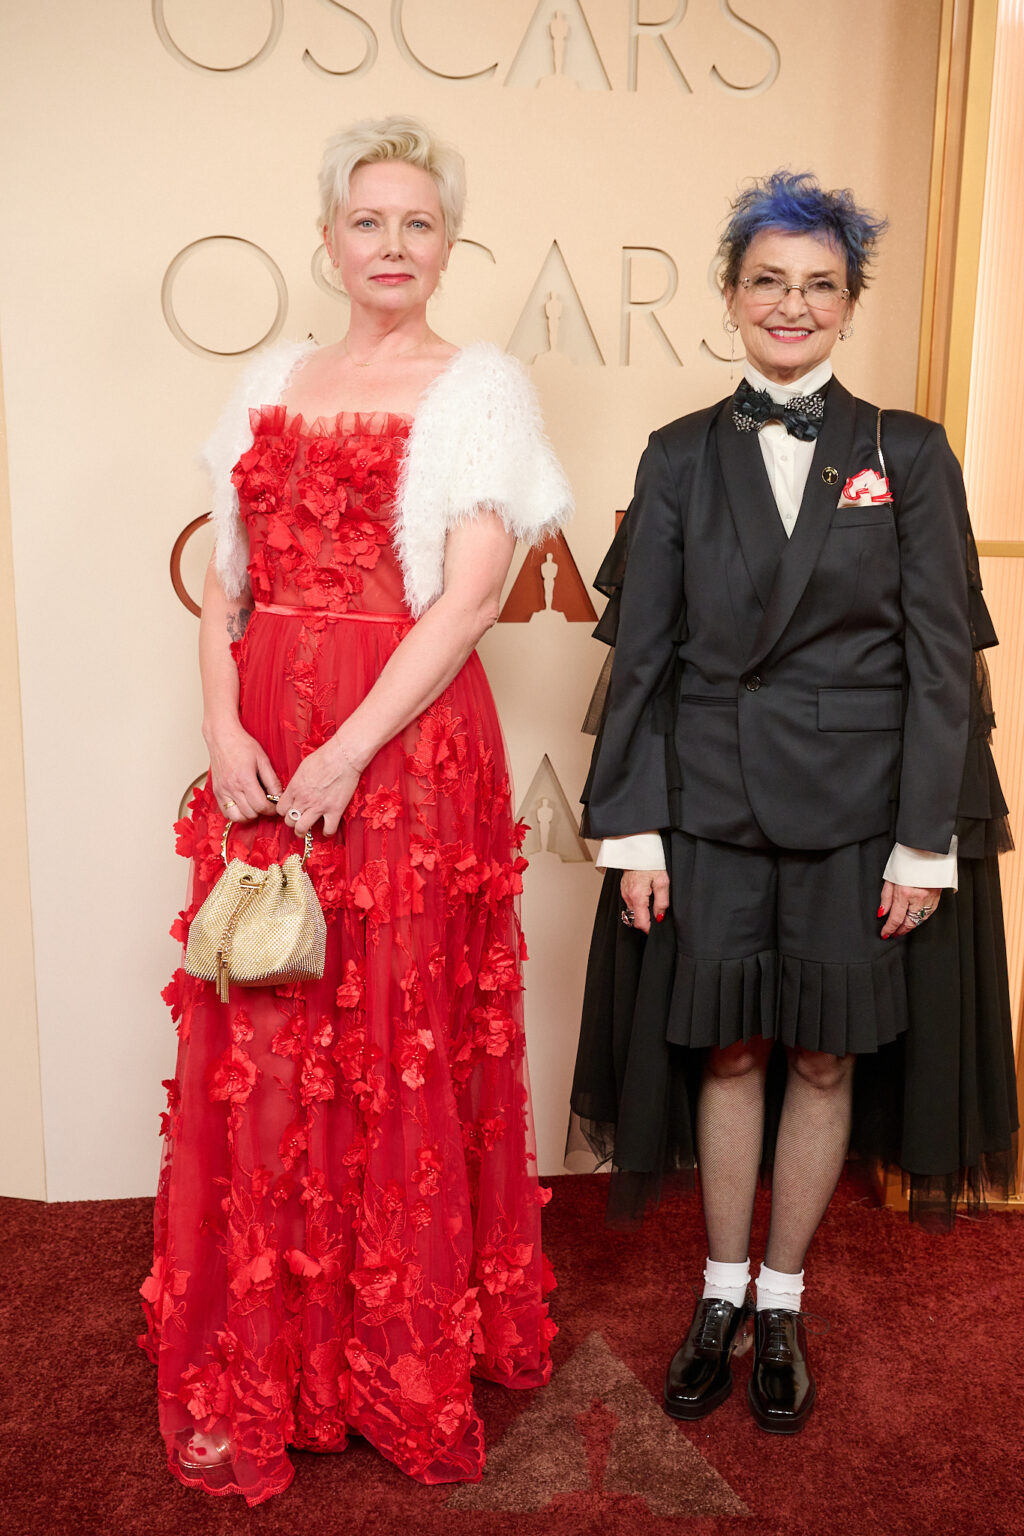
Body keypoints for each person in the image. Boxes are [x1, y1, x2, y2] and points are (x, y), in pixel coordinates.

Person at [140, 116, 569, 1503]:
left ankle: (388, 1357)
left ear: (450, 244)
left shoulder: (480, 385)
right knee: (270, 1027)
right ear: (326, 235)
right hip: (267, 733)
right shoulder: (269, 376)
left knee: (391, 1035)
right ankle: (281, 1349)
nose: (393, 246)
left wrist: (345, 756)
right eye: (368, 221)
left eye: (420, 224)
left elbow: (466, 599)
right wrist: (226, 727)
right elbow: (227, 587)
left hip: (405, 741)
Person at [572, 171, 1017, 1436]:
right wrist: (636, 827)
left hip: (858, 818)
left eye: (819, 285)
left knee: (821, 1056)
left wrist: (923, 844)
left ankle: (782, 1300)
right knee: (731, 1048)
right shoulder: (672, 456)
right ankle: (716, 1293)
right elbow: (643, 656)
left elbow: (943, 662)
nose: (791, 304)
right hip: (708, 808)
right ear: (729, 297)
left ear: (847, 307)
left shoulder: (909, 451)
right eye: (767, 280)